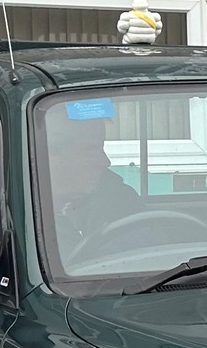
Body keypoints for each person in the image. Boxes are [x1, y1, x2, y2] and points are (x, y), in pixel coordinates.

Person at [46, 104, 143, 260]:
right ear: (50, 154)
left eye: (102, 148)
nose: (105, 161)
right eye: (90, 151)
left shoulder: (121, 200)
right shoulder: (19, 214)